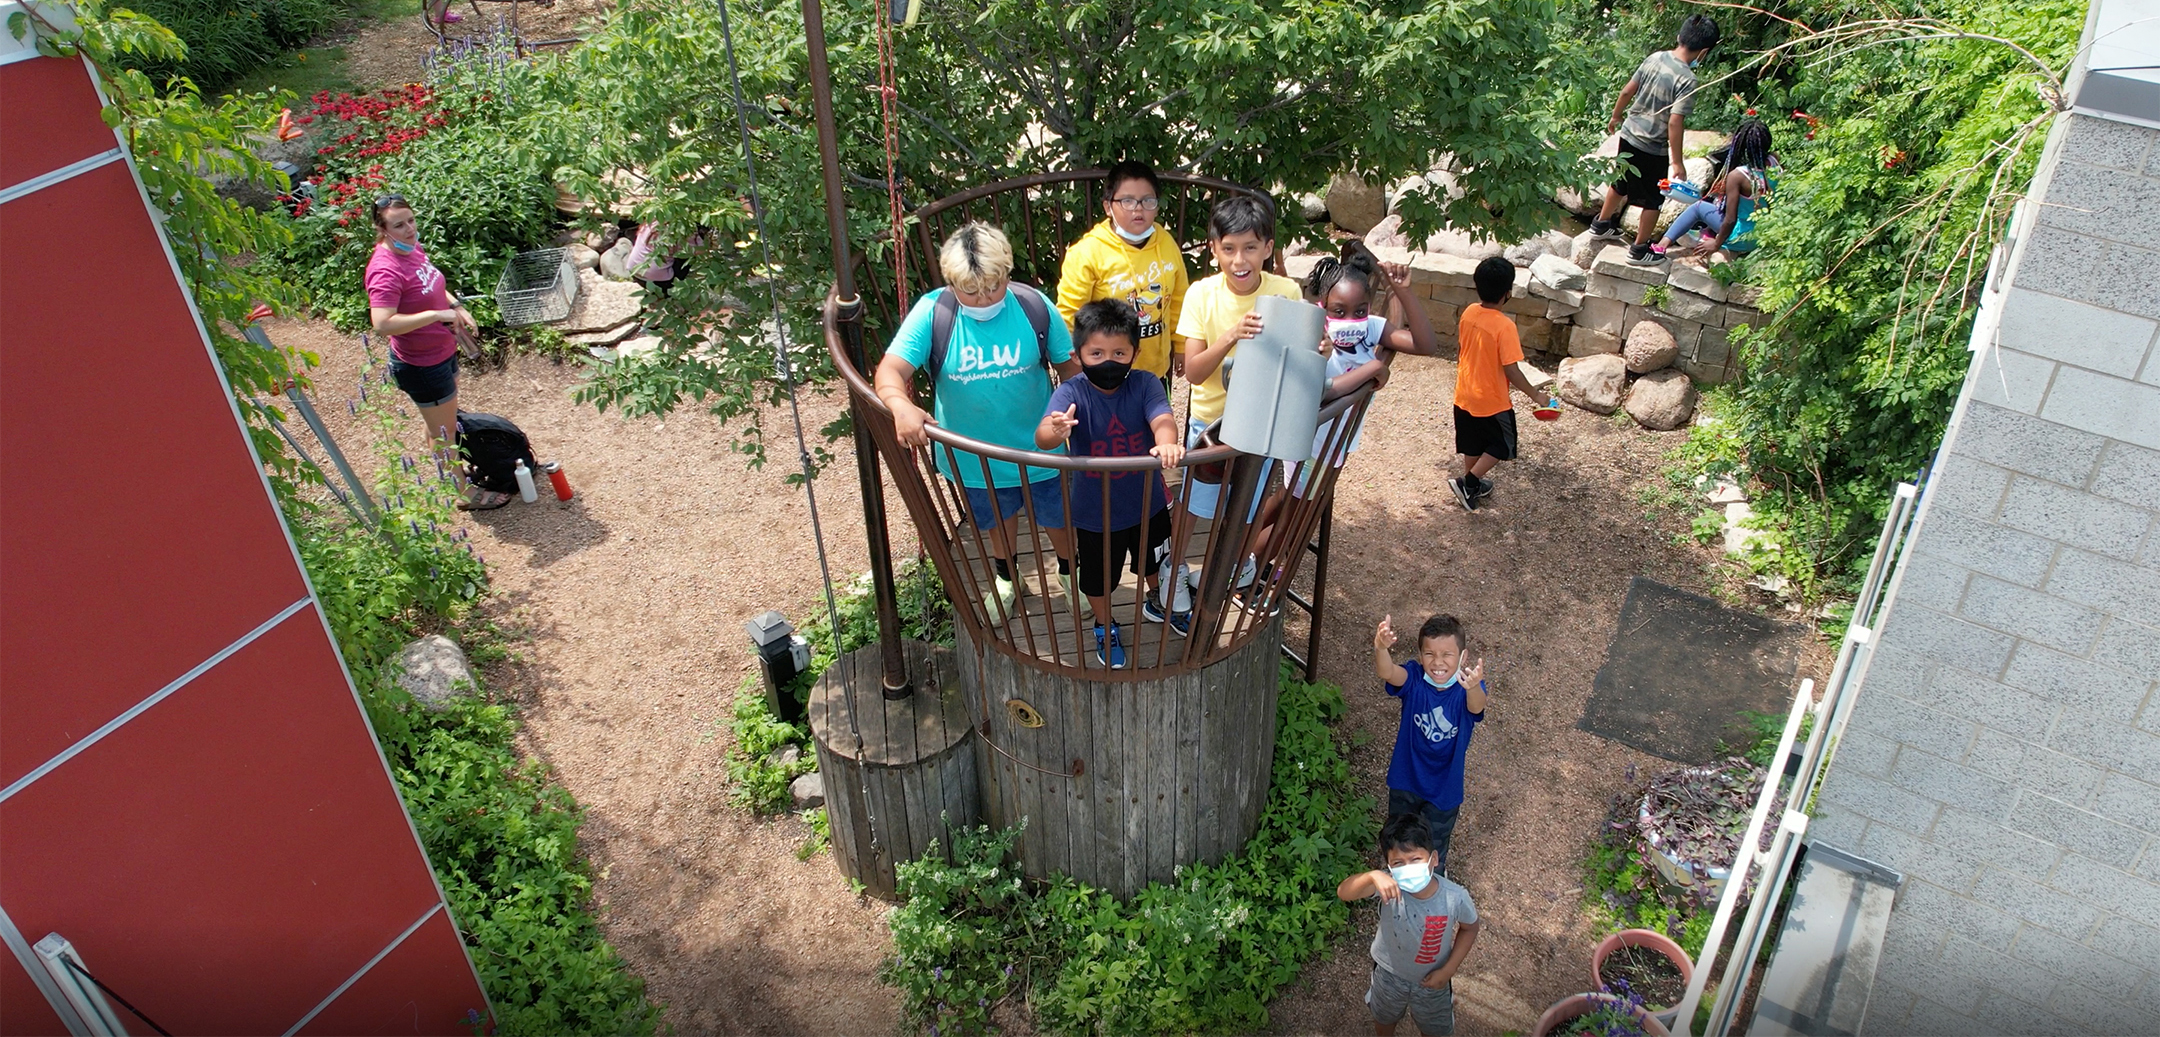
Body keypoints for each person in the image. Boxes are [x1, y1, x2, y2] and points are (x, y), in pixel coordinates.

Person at [876, 222, 1081, 617]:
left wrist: (1083, 407)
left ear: (1006, 273)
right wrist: (900, 406)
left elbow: (1067, 366)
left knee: (1058, 517)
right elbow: (889, 371)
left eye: (993, 286)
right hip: (974, 457)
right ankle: (1008, 577)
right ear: (951, 283)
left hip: (1041, 447)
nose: (984, 299)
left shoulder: (1033, 305)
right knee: (995, 520)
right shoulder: (934, 312)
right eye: (970, 290)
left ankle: (1069, 573)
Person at [1159, 195, 1305, 611]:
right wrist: (1231, 336)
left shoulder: (1286, 291)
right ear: (1214, 250)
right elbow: (1196, 371)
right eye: (1229, 248)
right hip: (1212, 424)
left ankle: (1232, 566)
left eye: (1250, 248)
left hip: (1261, 422)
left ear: (1269, 248)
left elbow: (1297, 359)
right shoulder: (1202, 295)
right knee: (1195, 502)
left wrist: (1323, 350)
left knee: (1248, 500)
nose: (1240, 260)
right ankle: (1175, 565)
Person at [1036, 301, 1187, 664]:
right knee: (1098, 578)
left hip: (1146, 503)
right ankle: (1104, 625)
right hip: (1094, 512)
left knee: (1154, 560)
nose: (1109, 361)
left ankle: (1159, 600)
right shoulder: (1071, 392)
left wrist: (1166, 439)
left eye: (1119, 352)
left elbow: (1162, 416)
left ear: (1135, 352)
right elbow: (1043, 436)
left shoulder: (1146, 383)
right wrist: (1055, 430)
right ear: (1079, 354)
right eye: (1097, 353)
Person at [364, 194, 507, 510]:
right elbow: (382, 323)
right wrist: (435, 316)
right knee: (445, 433)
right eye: (398, 225)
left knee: (439, 425)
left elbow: (432, 285)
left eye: (411, 220)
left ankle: (448, 474)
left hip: (442, 352)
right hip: (422, 366)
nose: (409, 229)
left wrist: (455, 306)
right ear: (382, 229)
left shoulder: (411, 249)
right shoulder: (385, 269)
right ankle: (463, 494)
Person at [1586, 14, 1721, 264]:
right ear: (1703, 52)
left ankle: (1601, 224)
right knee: (1653, 199)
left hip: (1629, 134)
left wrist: (1616, 116)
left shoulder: (1655, 57)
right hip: (1652, 146)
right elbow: (1675, 121)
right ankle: (1639, 249)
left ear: (1679, 36)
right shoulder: (1687, 80)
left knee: (1621, 181)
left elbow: (1627, 90)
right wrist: (1678, 162)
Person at [1337, 813, 1482, 1036]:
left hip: (1433, 979)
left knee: (1434, 1028)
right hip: (1388, 974)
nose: (1408, 868)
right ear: (1389, 867)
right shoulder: (1389, 885)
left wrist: (1449, 969)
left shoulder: (1455, 897)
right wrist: (1372, 876)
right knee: (1384, 1017)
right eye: (1398, 863)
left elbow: (1470, 927)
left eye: (1415, 859)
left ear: (1434, 859)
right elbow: (1344, 893)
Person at [1056, 160, 1191, 383]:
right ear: (1108, 206)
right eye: (1127, 201)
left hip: (1154, 371)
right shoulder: (1087, 252)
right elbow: (1069, 315)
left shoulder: (1165, 242)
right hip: (1105, 373)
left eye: (1147, 200)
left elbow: (1178, 299)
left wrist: (1181, 344)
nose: (1138, 208)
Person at [1373, 613, 1488, 875]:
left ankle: (1433, 881)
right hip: (1406, 779)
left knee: (1434, 846)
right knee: (1399, 836)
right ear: (1420, 655)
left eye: (1447, 655)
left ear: (1463, 657)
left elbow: (1477, 706)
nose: (1438, 663)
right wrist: (1380, 647)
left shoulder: (1467, 689)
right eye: (1429, 654)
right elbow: (1387, 672)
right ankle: (1396, 876)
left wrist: (1472, 687)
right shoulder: (1414, 678)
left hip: (1444, 789)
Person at [1449, 258, 1555, 511]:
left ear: (1478, 286)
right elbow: (1512, 370)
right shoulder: (1504, 326)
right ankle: (1468, 481)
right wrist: (1537, 396)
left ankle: (1471, 488)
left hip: (1464, 393)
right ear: (1508, 292)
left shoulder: (1469, 312)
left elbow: (1461, 349)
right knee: (1501, 444)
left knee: (1473, 442)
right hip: (1491, 401)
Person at [1650, 117, 1776, 262]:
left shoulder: (1738, 176)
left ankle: (1661, 246)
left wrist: (1716, 244)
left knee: (1698, 207)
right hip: (1762, 236)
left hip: (1741, 238)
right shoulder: (1775, 164)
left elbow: (1730, 219)